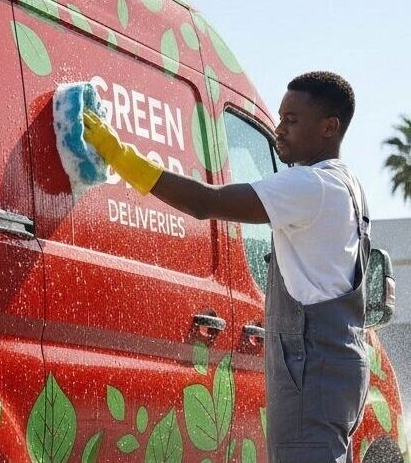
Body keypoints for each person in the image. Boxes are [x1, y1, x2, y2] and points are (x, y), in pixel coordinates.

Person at [83, 71, 370, 463]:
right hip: (340, 365)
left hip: (312, 368)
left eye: (291, 120)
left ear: (328, 127)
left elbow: (205, 202)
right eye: (280, 118)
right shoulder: (348, 184)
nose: (279, 130)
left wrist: (121, 157)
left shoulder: (311, 185)